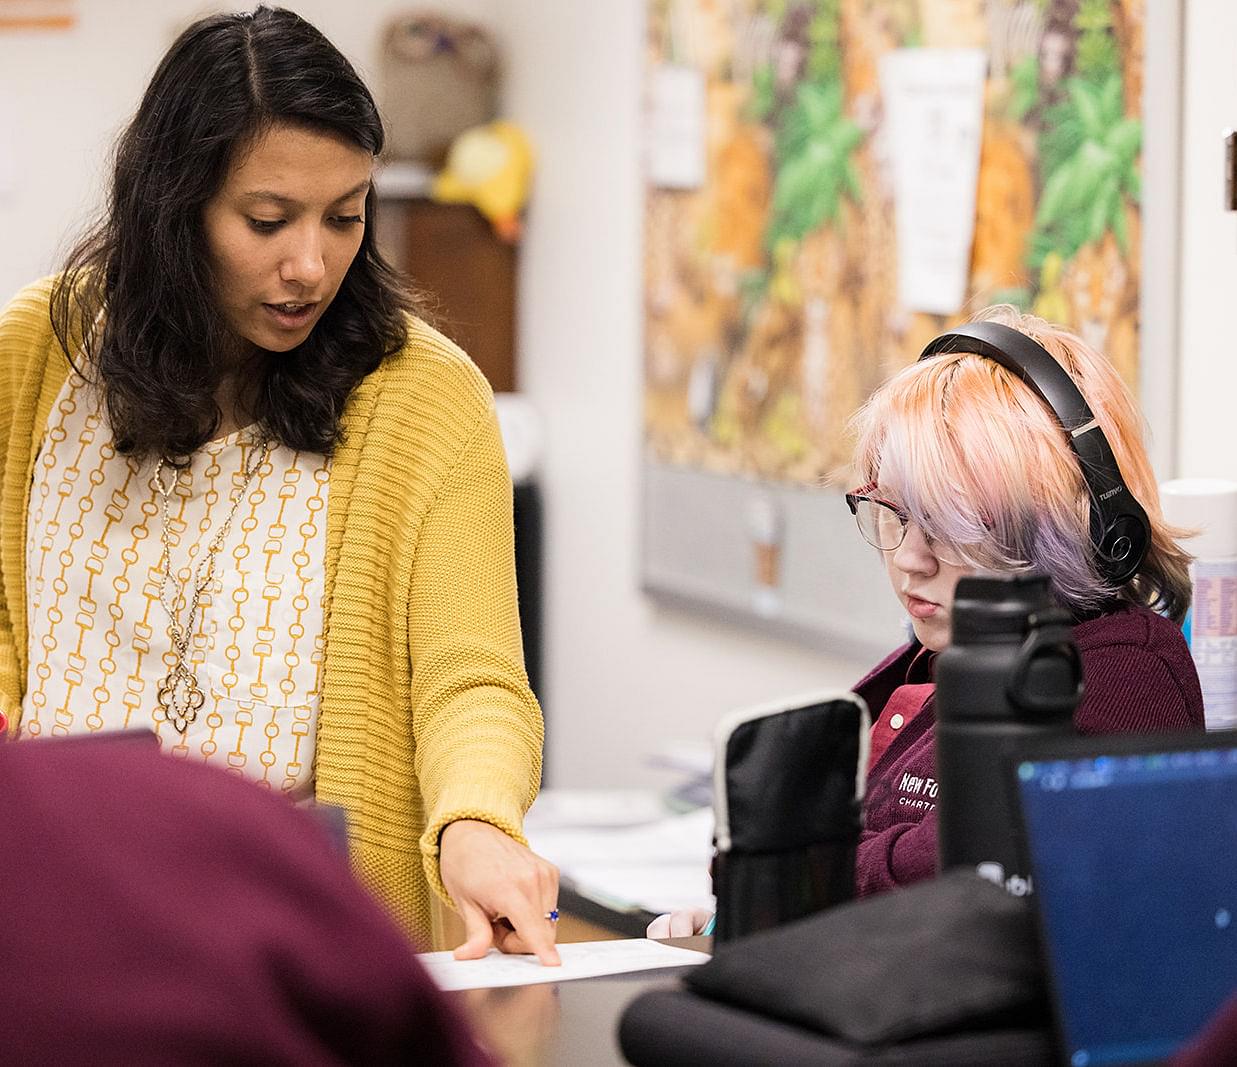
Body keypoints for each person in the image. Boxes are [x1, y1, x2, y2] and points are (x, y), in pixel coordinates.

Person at [0, 5, 558, 963]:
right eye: (268, 221)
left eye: (346, 216)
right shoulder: (36, 356)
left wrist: (476, 819)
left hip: (292, 927)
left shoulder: (426, 398)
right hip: (57, 904)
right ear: (172, 207)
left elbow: (473, 680)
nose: (311, 265)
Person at [649, 307, 1203, 937]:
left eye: (947, 526)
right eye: (895, 514)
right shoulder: (943, 653)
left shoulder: (1120, 679)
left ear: (1070, 529)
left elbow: (960, 873)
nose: (910, 559)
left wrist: (783, 887)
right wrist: (736, 918)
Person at [0, 733, 496, 1065]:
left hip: (276, 885)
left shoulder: (256, 849)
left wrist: (472, 818)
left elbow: (469, 676)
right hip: (43, 870)